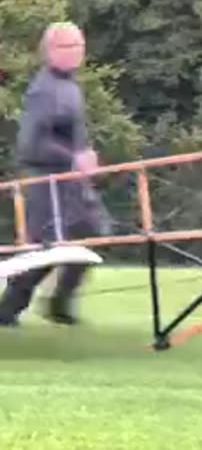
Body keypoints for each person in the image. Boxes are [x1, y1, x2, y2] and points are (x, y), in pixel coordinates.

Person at [0, 22, 109, 327]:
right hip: (47, 182)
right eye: (67, 47)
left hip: (72, 182)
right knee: (46, 249)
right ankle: (8, 309)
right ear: (49, 51)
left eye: (79, 46)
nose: (76, 53)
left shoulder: (70, 86)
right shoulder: (43, 90)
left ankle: (60, 302)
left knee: (92, 233)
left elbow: (70, 136)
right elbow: (31, 143)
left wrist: (84, 158)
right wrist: (74, 157)